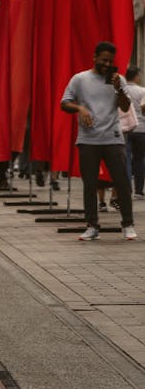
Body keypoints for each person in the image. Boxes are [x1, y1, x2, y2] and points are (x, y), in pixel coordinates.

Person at [61, 41, 137, 241]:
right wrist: (80, 108)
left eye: (110, 61)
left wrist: (119, 88)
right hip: (88, 139)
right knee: (90, 184)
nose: (107, 64)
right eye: (104, 60)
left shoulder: (118, 79)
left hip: (113, 137)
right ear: (94, 57)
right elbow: (65, 102)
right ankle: (92, 226)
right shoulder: (80, 79)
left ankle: (128, 224)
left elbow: (125, 106)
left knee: (121, 183)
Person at [124, 65, 145, 198]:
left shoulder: (122, 90)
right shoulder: (142, 91)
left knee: (126, 159)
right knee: (139, 159)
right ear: (136, 76)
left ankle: (126, 190)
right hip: (141, 129)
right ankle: (138, 190)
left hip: (125, 128)